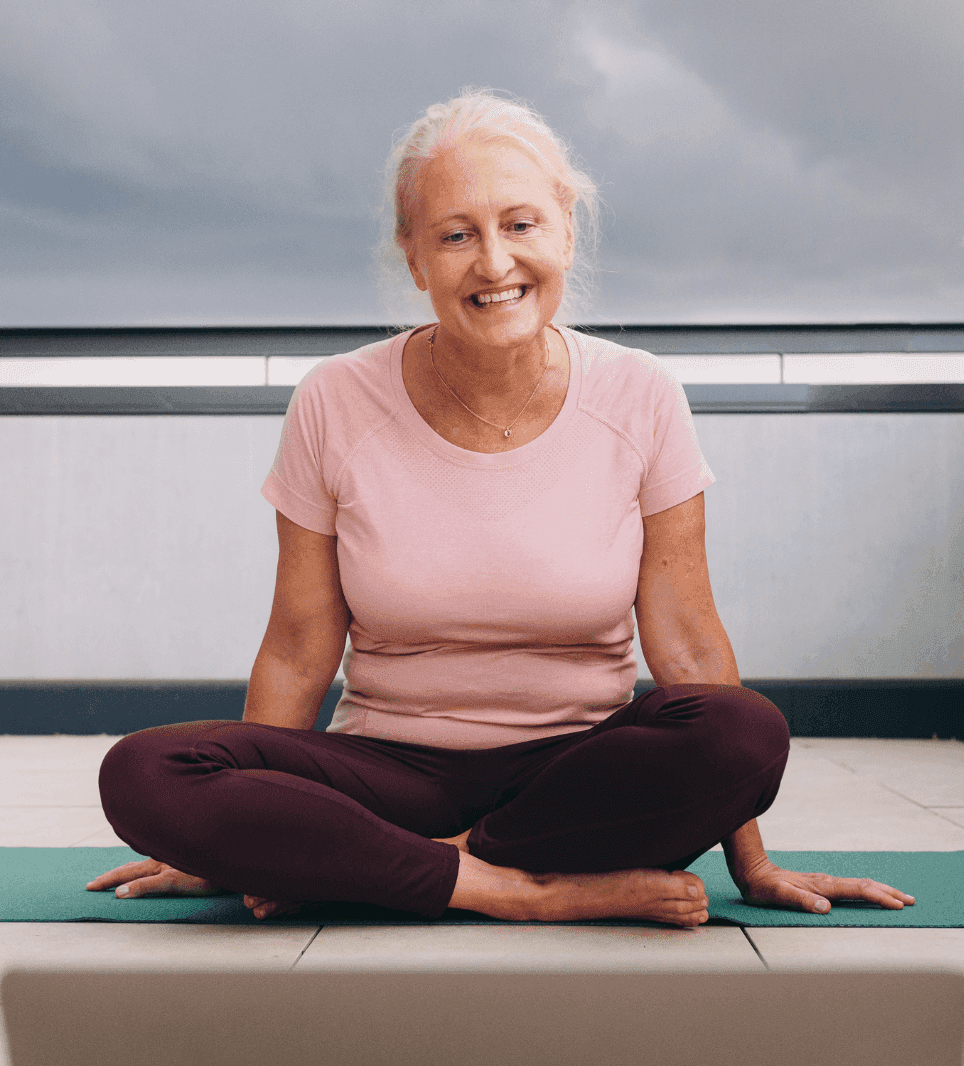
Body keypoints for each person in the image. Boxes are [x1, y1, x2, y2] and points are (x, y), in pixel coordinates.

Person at [88, 90, 913, 926]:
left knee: (744, 731)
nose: (493, 263)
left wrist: (753, 860)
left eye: (520, 225)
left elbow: (691, 649)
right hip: (388, 776)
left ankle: (397, 872)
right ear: (413, 258)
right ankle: (522, 889)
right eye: (456, 234)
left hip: (578, 784)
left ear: (565, 229)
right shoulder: (334, 400)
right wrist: (228, 842)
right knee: (143, 771)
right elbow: (300, 650)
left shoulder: (642, 396)